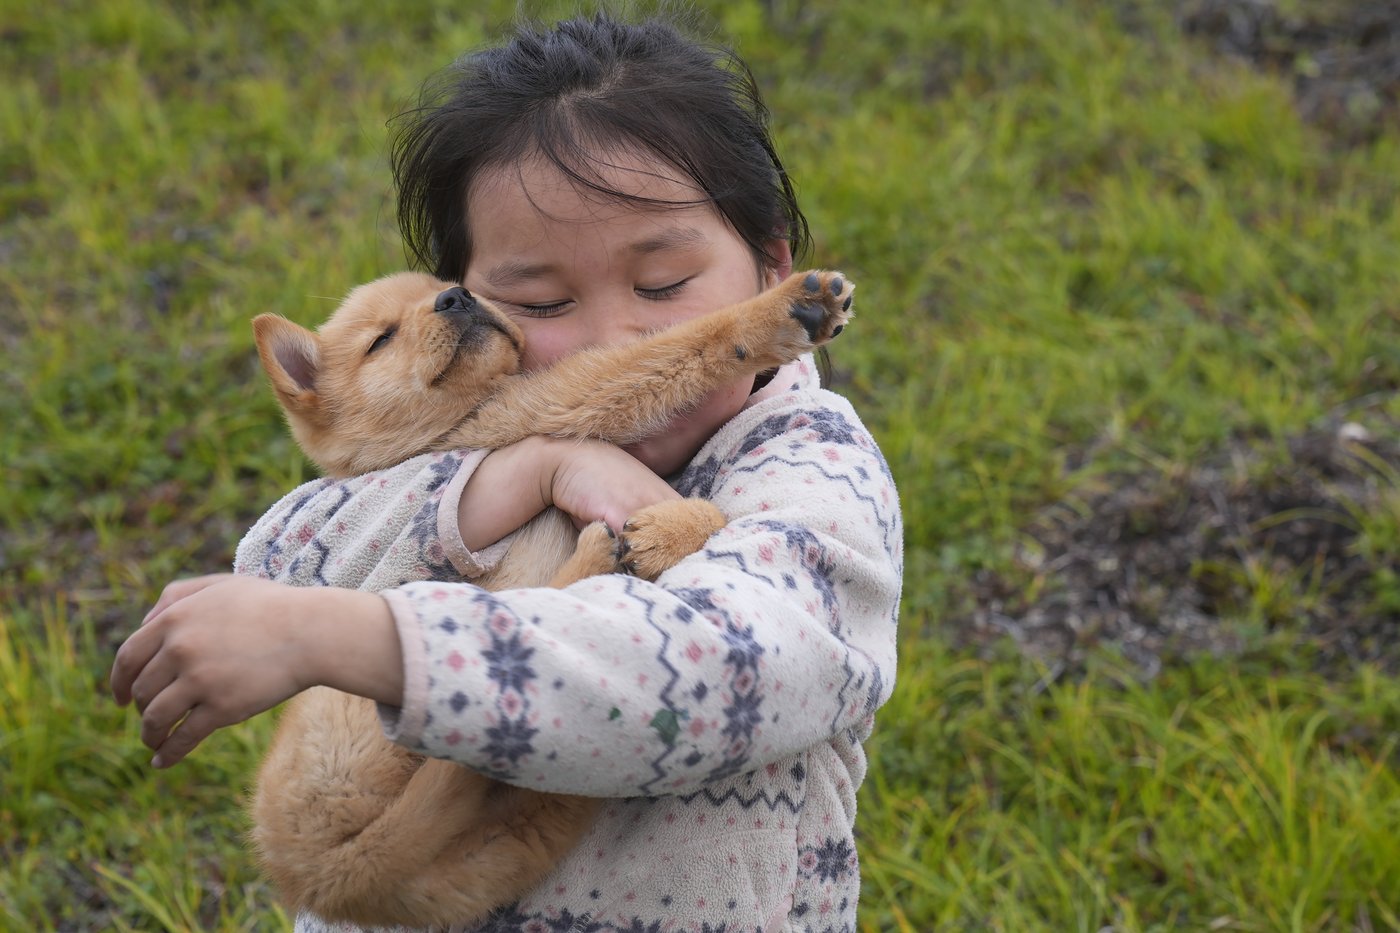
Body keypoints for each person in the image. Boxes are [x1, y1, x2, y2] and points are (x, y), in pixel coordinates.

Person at [111, 11, 902, 932]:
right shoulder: (458, 448)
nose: (616, 338)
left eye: (661, 286)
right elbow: (279, 559)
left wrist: (361, 640)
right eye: (541, 300)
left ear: (772, 265)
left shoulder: (816, 479)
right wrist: (526, 472)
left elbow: (708, 677)